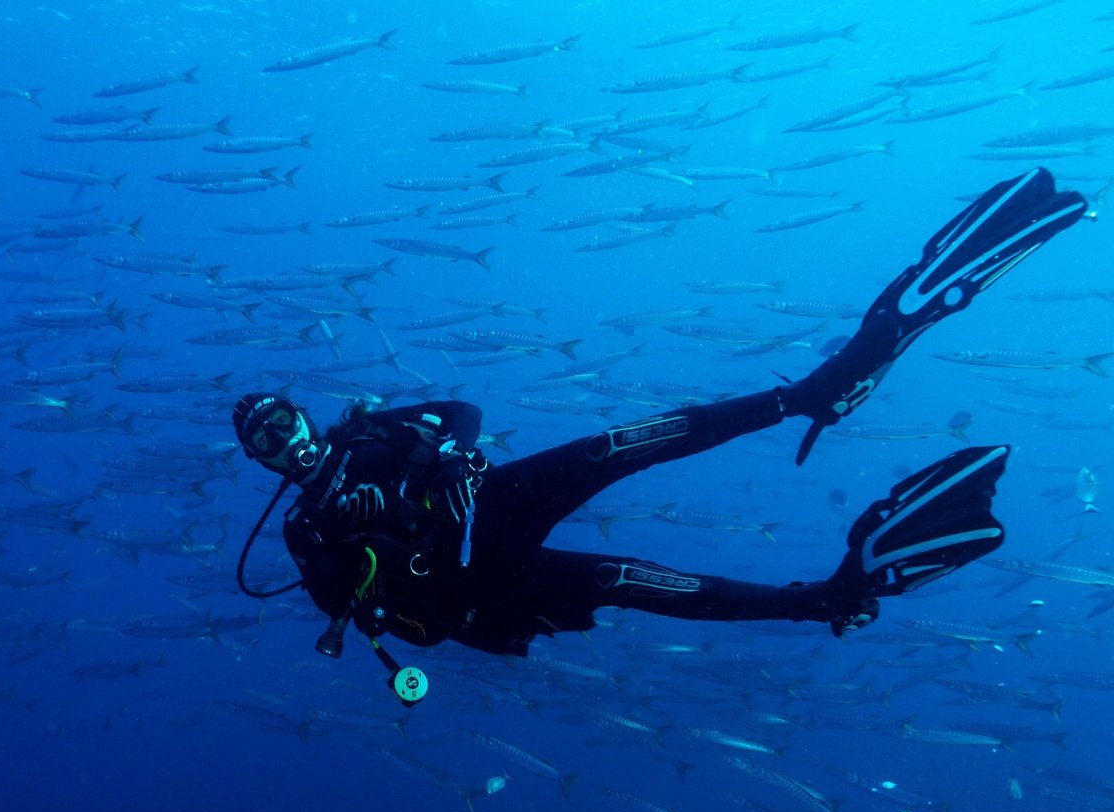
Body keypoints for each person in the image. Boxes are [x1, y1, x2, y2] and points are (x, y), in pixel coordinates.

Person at [232, 169, 1087, 666]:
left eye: (282, 417)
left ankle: (809, 394)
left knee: (621, 443)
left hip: (495, 500)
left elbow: (460, 407)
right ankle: (824, 598)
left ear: (301, 413)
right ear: (260, 460)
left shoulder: (366, 433)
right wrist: (380, 547)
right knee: (630, 579)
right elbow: (398, 630)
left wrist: (450, 455)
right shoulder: (306, 533)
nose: (283, 438)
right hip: (474, 581)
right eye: (263, 439)